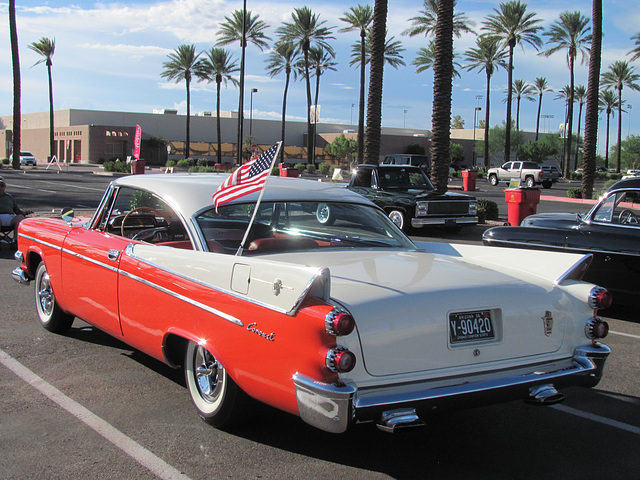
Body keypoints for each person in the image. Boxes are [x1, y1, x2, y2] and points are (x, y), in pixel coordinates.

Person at [0, 176, 33, 246]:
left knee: (20, 218)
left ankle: (15, 241)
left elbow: (17, 210)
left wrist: (25, 213)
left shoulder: (9, 197)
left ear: (5, 186)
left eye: (2, 185)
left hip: (9, 218)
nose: (0, 187)